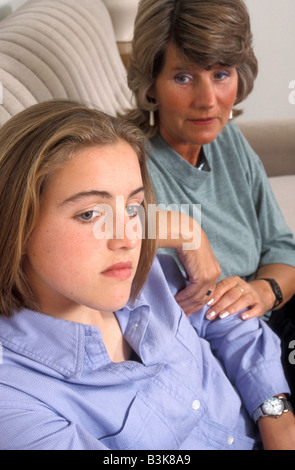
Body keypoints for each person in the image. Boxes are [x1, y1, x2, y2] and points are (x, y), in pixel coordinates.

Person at [0, 99, 294, 450]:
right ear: (16, 224)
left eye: (133, 208)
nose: (127, 239)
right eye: (90, 214)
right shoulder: (17, 401)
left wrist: (275, 412)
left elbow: (228, 318)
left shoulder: (148, 273)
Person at [123, 0, 295, 399]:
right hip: (229, 354)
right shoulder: (124, 158)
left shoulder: (228, 139)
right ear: (150, 82)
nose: (209, 100)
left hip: (274, 315)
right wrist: (188, 231)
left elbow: (283, 247)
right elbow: (89, 223)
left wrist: (264, 290)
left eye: (221, 74)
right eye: (183, 77)